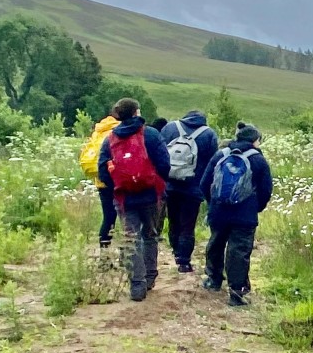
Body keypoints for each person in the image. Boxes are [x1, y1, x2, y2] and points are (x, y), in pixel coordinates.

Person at [97, 97, 170, 301]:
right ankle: (149, 277)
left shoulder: (110, 139)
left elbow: (103, 172)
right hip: (151, 195)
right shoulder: (152, 134)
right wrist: (156, 181)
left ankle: (136, 287)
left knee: (131, 238)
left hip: (125, 198)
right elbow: (165, 164)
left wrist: (118, 187)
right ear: (137, 112)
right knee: (150, 235)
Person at [199, 122, 274, 306]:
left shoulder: (220, 154)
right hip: (245, 215)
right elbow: (266, 190)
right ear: (255, 140)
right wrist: (256, 207)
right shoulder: (258, 159)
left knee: (216, 243)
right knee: (238, 251)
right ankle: (236, 293)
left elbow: (204, 183)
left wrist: (214, 203)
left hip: (219, 212)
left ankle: (213, 280)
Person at [160, 109, 218, 273]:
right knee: (188, 225)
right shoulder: (209, 134)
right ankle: (184, 262)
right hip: (194, 187)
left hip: (170, 185)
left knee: (173, 221)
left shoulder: (170, 128)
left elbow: (161, 155)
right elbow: (212, 163)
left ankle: (177, 253)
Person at [79, 108, 119, 248]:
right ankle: (126, 255)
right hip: (117, 180)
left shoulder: (99, 130)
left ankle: (104, 254)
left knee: (108, 217)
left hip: (101, 180)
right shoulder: (117, 131)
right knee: (127, 220)